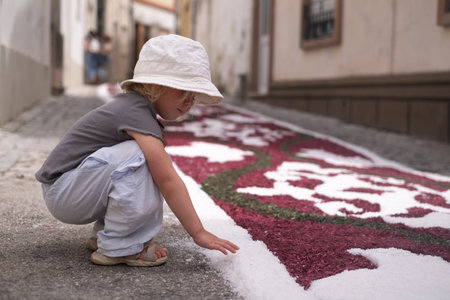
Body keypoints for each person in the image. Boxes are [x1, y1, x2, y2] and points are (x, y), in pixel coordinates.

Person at [36, 34, 239, 267]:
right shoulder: (136, 112)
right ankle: (121, 246)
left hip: (70, 190)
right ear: (154, 85)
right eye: (183, 91)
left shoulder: (135, 109)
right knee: (145, 157)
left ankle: (108, 234)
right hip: (65, 193)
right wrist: (198, 232)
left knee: (144, 158)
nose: (190, 101)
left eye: (193, 95)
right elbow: (167, 179)